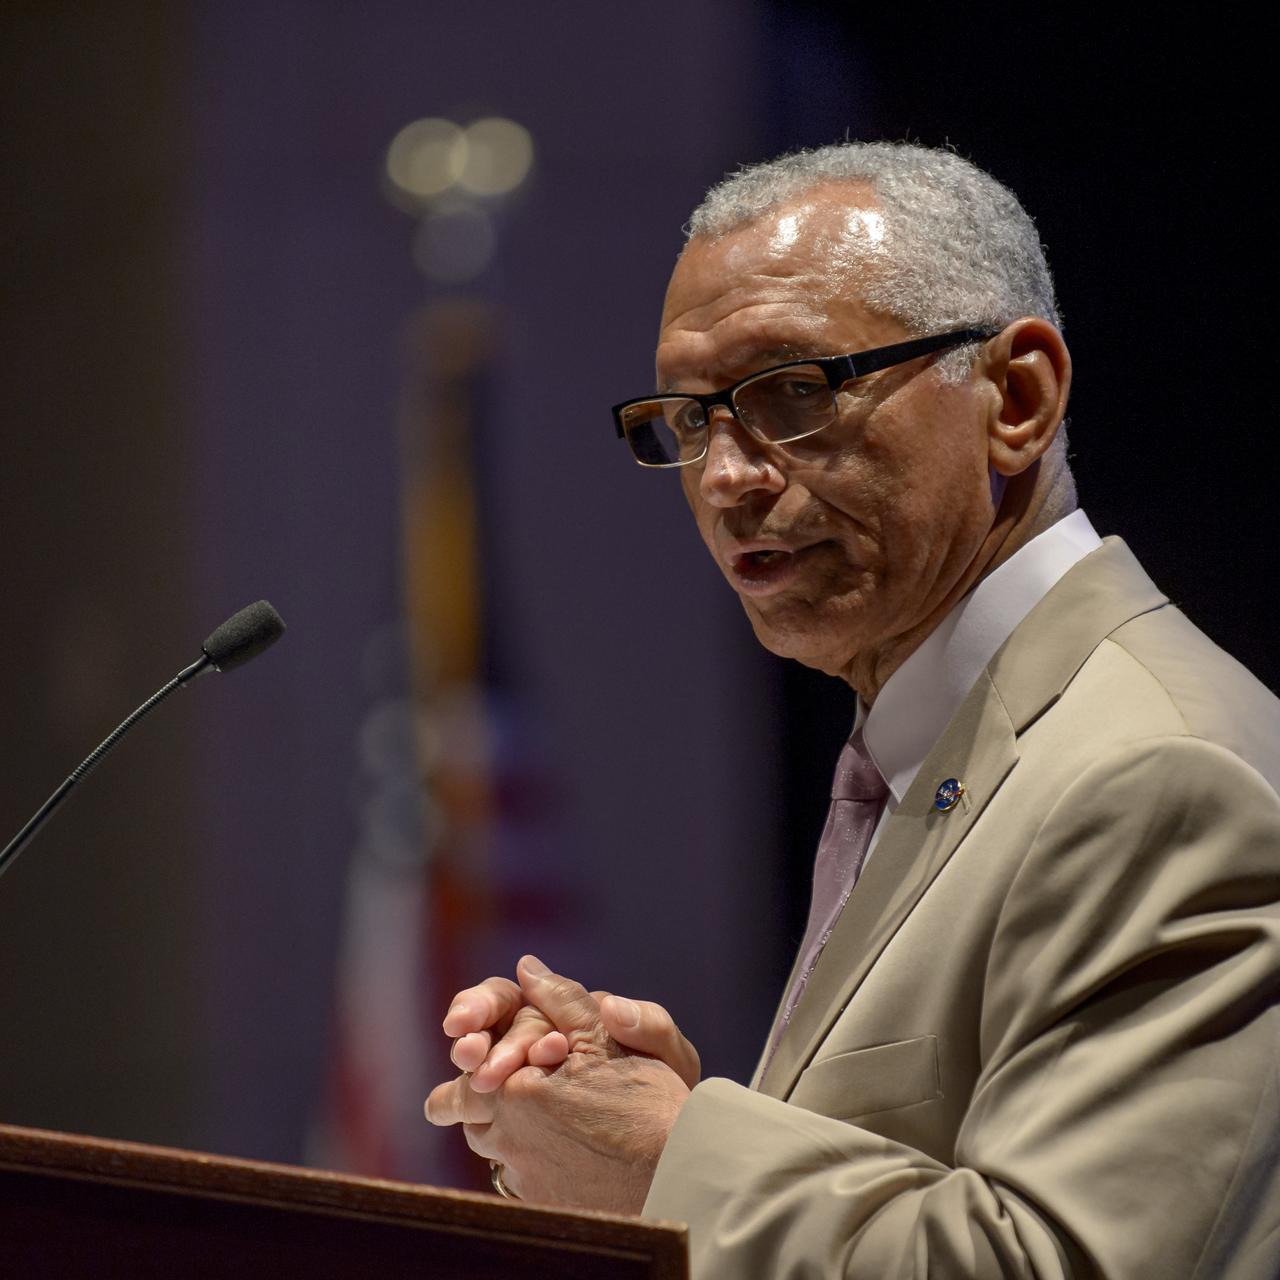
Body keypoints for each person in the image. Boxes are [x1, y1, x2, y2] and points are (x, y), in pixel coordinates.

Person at [424, 143, 1280, 1278]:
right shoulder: (943, 733)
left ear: (1015, 397)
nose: (726, 475)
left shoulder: (1156, 774)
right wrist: (668, 1112)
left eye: (790, 392)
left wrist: (671, 1161)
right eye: (687, 420)